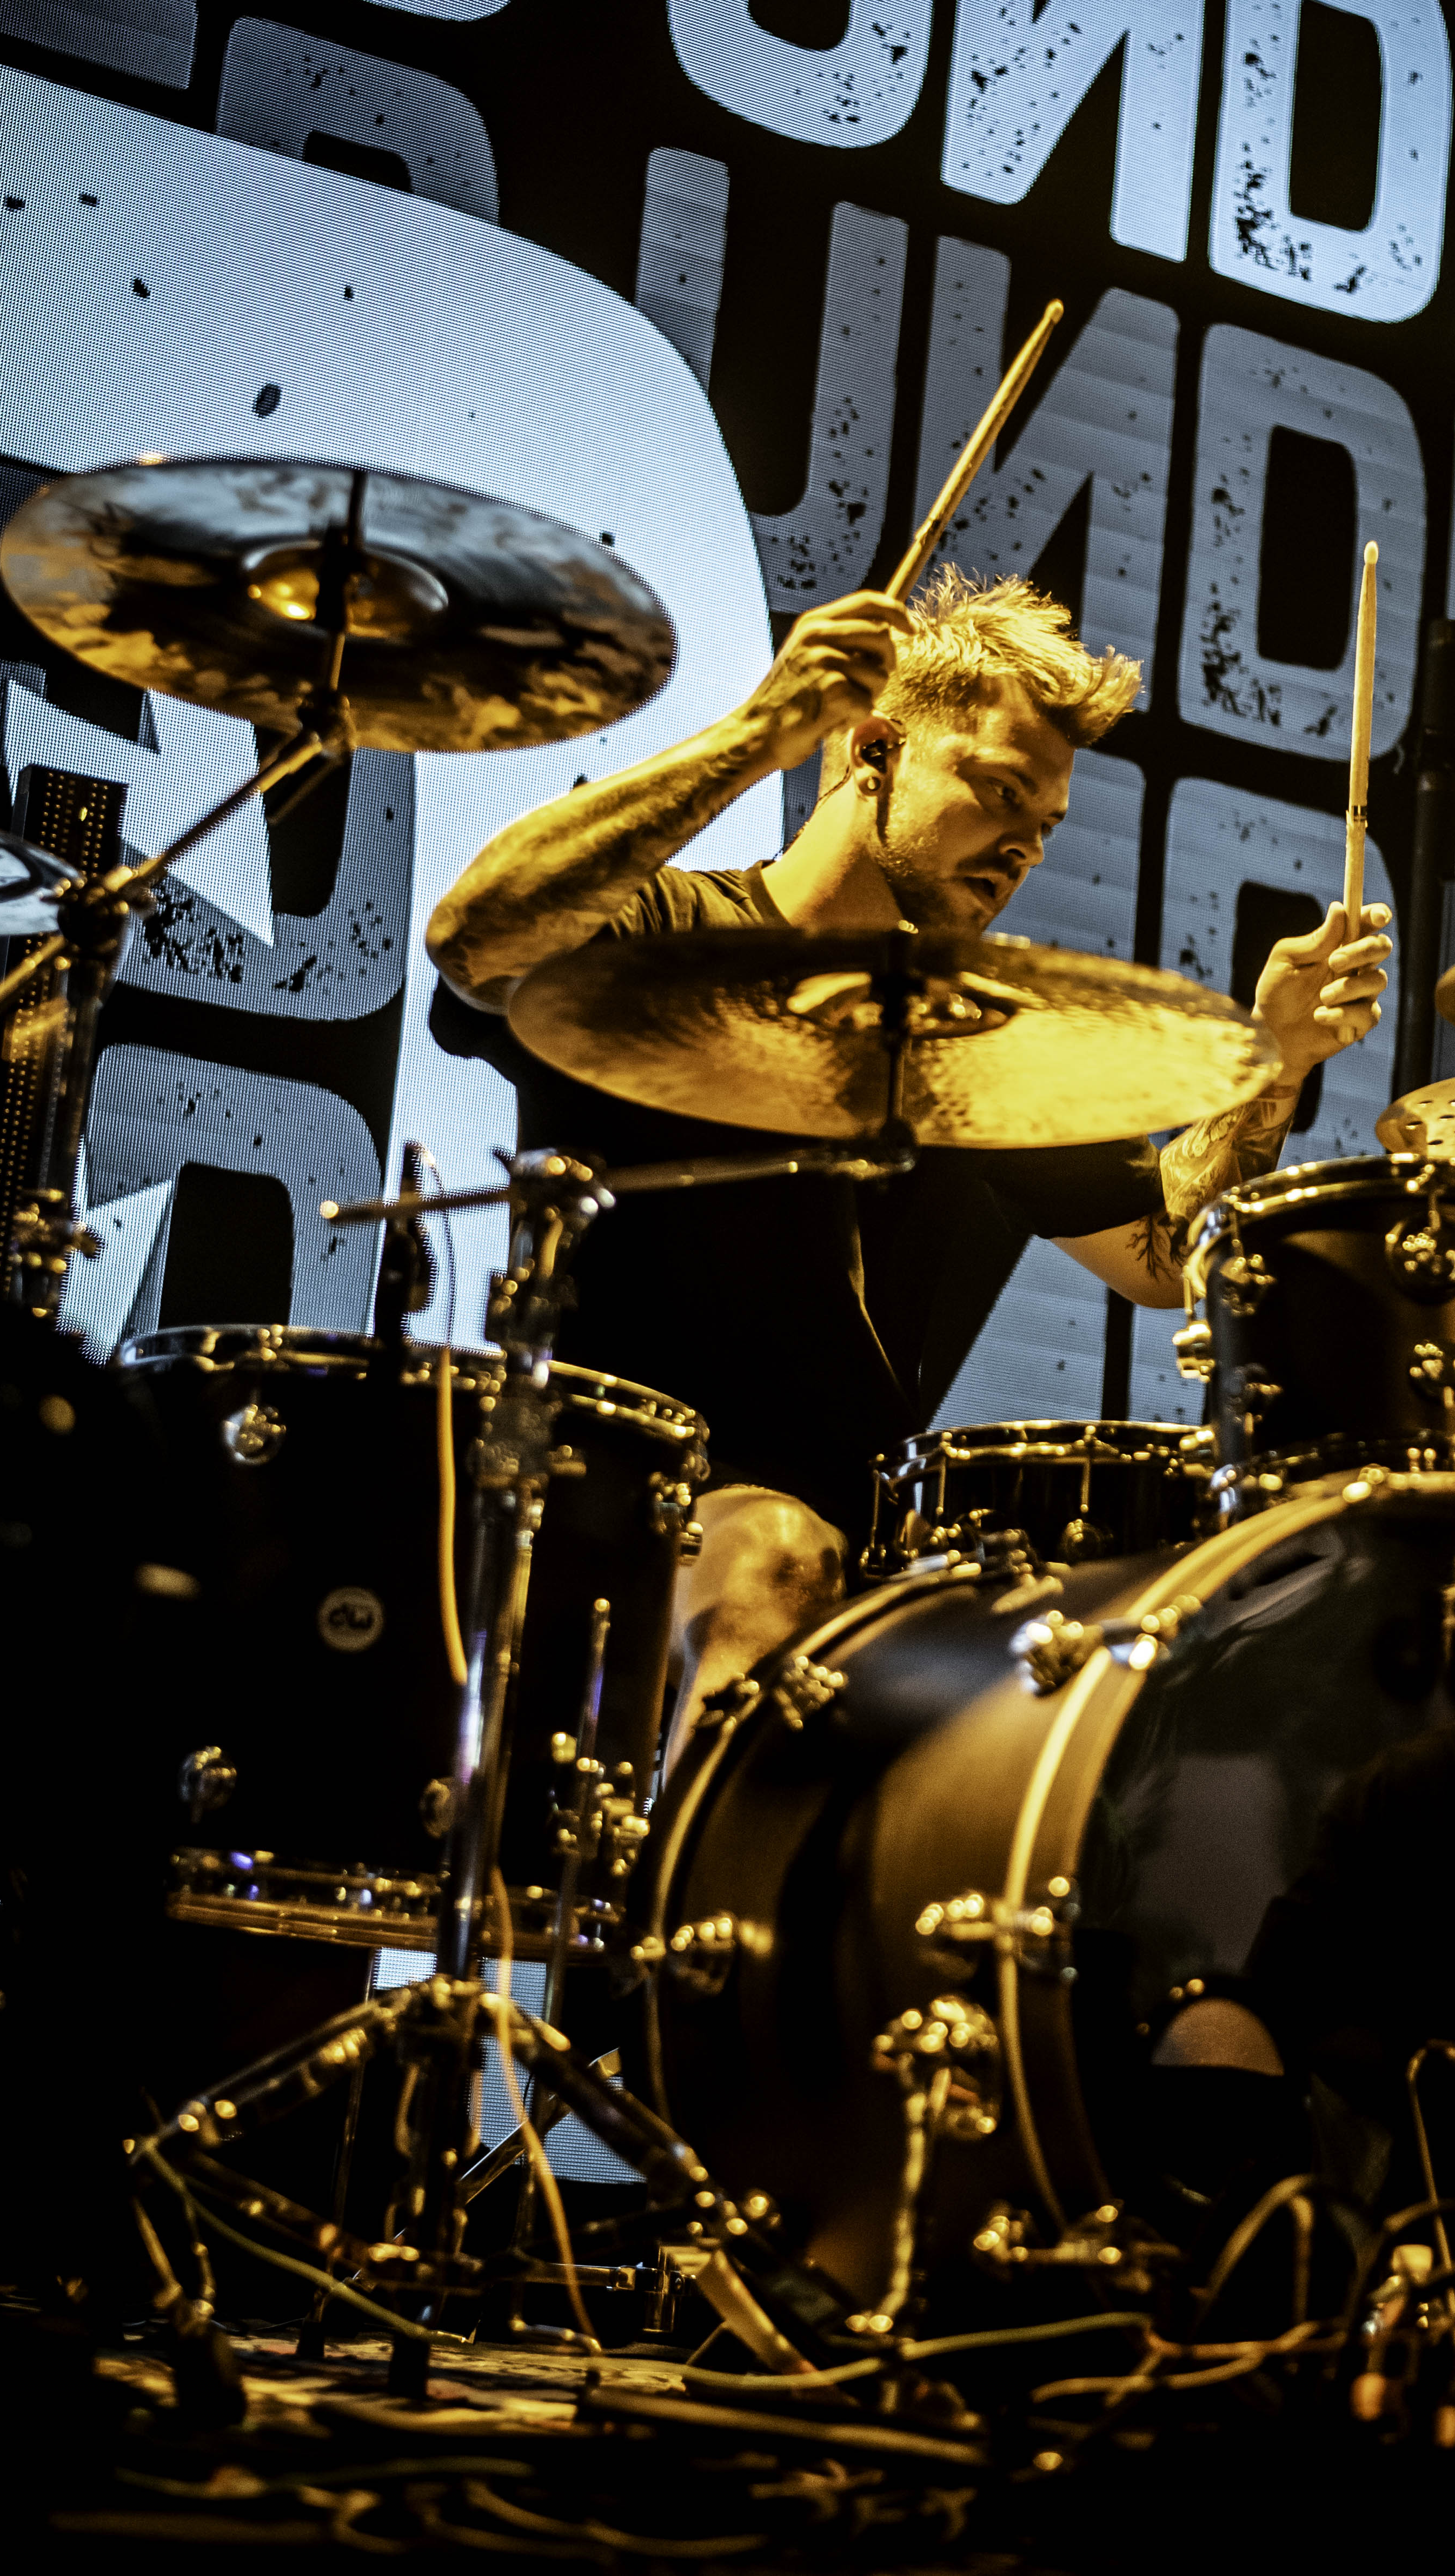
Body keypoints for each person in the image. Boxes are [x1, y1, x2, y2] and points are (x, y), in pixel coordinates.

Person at [427, 571, 1390, 1730]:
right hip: (583, 1503)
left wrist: (1276, 1057)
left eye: (1044, 827)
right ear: (873, 750)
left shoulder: (976, 1038)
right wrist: (757, 734)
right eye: (999, 793)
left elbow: (1164, 1259)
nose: (1022, 848)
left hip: (849, 1543)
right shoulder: (661, 940)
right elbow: (475, 937)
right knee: (771, 1556)